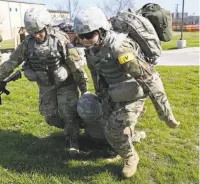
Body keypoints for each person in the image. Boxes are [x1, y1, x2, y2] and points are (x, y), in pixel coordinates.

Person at [73, 7, 179, 178]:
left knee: (113, 131)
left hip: (133, 92)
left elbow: (150, 80)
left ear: (100, 31)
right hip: (113, 92)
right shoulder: (92, 49)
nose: (84, 40)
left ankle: (131, 157)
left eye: (89, 35)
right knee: (106, 128)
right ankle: (132, 135)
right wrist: (102, 96)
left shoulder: (119, 49)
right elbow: (96, 73)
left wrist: (166, 115)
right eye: (81, 36)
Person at [0, 7, 88, 155]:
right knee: (50, 116)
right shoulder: (27, 44)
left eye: (39, 32)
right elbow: (12, 62)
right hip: (46, 85)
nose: (37, 35)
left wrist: (84, 89)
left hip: (65, 84)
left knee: (68, 112)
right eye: (33, 32)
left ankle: (73, 139)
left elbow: (76, 65)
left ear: (46, 27)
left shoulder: (60, 40)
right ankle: (79, 125)